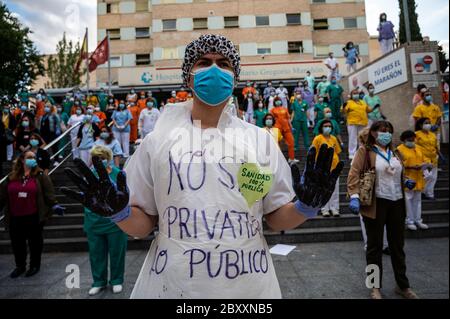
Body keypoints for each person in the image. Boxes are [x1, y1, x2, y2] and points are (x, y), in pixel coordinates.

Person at [62, 34, 343, 299]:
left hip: (248, 287)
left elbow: (275, 217)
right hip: (174, 284)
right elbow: (142, 225)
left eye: (224, 64)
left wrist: (306, 207)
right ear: (188, 76)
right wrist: (119, 213)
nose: (214, 70)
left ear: (235, 78)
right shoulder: (156, 143)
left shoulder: (259, 141)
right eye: (203, 62)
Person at [347, 121, 418, 299]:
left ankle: (403, 286)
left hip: (397, 203)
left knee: (398, 247)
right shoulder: (365, 151)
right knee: (374, 247)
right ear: (373, 133)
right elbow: (353, 174)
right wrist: (354, 197)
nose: (385, 134)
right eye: (381, 131)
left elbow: (396, 172)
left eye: (388, 131)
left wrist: (405, 181)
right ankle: (374, 287)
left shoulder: (395, 152)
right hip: (376, 203)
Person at [0, 151, 64, 278]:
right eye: (29, 157)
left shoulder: (40, 175)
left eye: (34, 157)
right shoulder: (11, 177)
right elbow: (2, 196)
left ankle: (34, 265)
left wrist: (54, 204)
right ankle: (20, 266)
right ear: (22, 160)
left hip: (34, 216)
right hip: (15, 217)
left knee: (35, 243)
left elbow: (49, 193)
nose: (33, 159)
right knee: (17, 243)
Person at [82, 145, 128, 296]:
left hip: (116, 222)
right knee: (96, 254)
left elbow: (126, 196)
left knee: (117, 253)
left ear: (108, 159)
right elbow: (86, 199)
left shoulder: (118, 174)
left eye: (102, 158)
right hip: (94, 221)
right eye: (96, 158)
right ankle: (99, 282)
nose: (99, 161)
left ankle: (116, 280)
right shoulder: (89, 176)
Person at [397, 130, 431, 231]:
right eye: (409, 140)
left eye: (413, 139)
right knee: (408, 200)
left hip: (419, 177)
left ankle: (418, 220)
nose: (412, 141)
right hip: (408, 178)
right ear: (403, 140)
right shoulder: (399, 150)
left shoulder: (418, 148)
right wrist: (410, 166)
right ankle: (409, 221)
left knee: (418, 200)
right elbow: (398, 164)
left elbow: (426, 159)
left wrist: (426, 164)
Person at [312, 120, 341, 217]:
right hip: (322, 168)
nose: (327, 127)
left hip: (334, 168)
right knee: (323, 189)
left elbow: (337, 151)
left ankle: (335, 209)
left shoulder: (333, 138)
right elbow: (313, 152)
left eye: (329, 126)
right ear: (321, 127)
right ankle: (324, 209)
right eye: (325, 126)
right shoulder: (317, 138)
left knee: (334, 190)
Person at [342, 89, 372, 160]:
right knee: (353, 138)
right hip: (353, 123)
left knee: (362, 138)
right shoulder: (349, 102)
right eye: (354, 93)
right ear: (351, 95)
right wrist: (343, 107)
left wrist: (374, 107)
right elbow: (344, 111)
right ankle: (352, 153)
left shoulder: (363, 102)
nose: (356, 94)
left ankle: (362, 152)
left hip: (363, 122)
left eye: (357, 93)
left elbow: (368, 110)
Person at [415, 118, 439, 200]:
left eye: (429, 123)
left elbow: (436, 146)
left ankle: (429, 194)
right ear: (420, 125)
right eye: (426, 123)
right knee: (427, 176)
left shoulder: (433, 134)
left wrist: (439, 155)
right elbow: (414, 147)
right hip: (423, 159)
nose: (428, 124)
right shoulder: (416, 134)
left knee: (433, 177)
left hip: (433, 158)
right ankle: (422, 191)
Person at [271, 97, 297, 163]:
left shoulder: (285, 109)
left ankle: (291, 158)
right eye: (276, 101)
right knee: (276, 144)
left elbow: (288, 119)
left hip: (286, 127)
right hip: (277, 128)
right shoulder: (272, 110)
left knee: (291, 142)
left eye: (279, 100)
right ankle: (278, 159)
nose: (278, 102)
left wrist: (291, 127)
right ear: (274, 102)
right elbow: (271, 119)